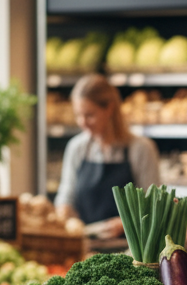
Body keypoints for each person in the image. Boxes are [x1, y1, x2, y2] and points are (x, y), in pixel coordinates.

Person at [55, 74, 160, 236]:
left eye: (89, 115)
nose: (83, 122)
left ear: (109, 109)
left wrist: (125, 223)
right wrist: (64, 211)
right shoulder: (76, 148)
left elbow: (153, 204)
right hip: (85, 242)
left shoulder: (141, 149)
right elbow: (66, 194)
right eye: (78, 115)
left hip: (130, 244)